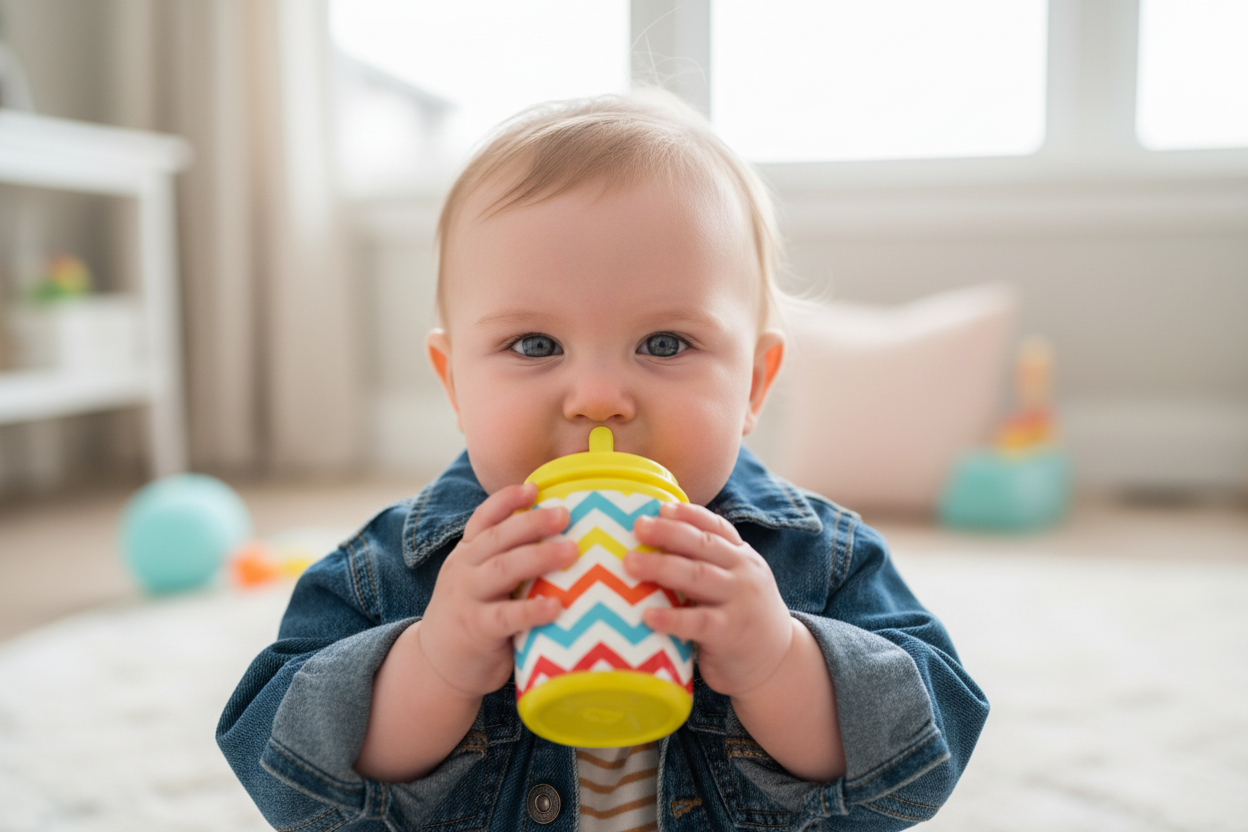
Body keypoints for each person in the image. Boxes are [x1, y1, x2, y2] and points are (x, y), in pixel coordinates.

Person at [218, 88, 988, 831]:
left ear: (752, 384)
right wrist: (433, 667)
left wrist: (779, 662)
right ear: (454, 383)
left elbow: (924, 756)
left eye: (664, 344)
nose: (596, 398)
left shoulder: (817, 559)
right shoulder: (391, 570)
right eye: (533, 345)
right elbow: (282, 769)